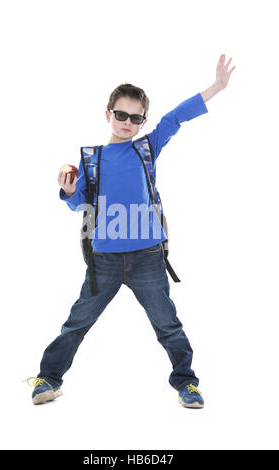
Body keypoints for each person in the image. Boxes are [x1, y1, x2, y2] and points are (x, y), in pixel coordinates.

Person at [25, 54, 236, 407]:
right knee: (77, 323)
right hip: (103, 260)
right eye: (120, 114)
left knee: (167, 324)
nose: (127, 122)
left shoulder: (146, 147)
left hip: (148, 258)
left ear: (142, 122)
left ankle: (187, 382)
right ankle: (48, 378)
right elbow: (78, 203)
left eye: (135, 118)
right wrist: (65, 189)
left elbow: (175, 118)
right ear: (108, 114)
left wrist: (216, 87)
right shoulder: (91, 159)